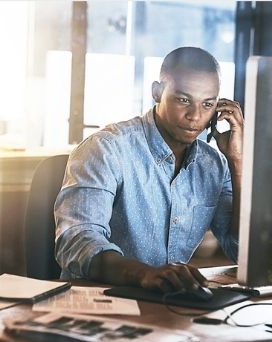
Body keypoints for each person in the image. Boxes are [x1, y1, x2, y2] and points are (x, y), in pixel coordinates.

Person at [54, 47, 243, 294]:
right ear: (157, 92)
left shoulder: (214, 165)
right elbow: (77, 241)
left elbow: (240, 250)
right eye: (183, 99)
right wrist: (146, 274)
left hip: (167, 306)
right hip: (97, 302)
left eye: (207, 104)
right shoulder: (107, 149)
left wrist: (237, 163)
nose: (195, 116)